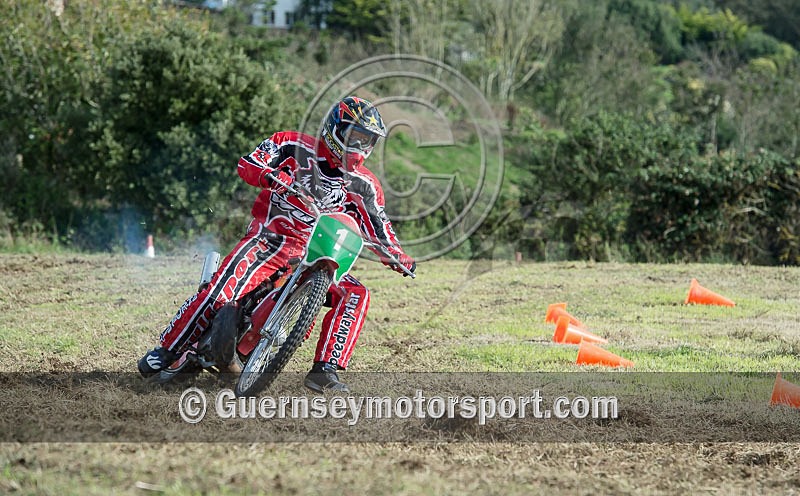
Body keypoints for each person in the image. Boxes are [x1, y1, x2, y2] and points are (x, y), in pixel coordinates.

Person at [138, 96, 415, 392]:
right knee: (221, 291)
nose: (359, 148)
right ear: (336, 128)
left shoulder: (365, 185)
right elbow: (249, 162)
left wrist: (397, 255)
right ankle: (168, 348)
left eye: (367, 141)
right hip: (270, 238)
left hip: (319, 252)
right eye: (355, 138)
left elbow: (378, 224)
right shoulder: (291, 145)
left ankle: (325, 369)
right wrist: (269, 174)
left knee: (356, 294)